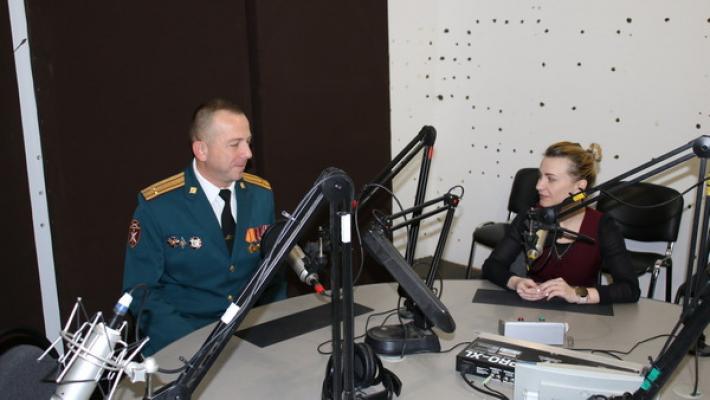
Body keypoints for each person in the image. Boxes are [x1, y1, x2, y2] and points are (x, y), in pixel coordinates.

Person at [122, 99, 286, 355]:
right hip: (181, 342)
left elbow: (273, 274)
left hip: (248, 339)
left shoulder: (260, 194)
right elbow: (141, 292)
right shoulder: (158, 206)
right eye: (235, 144)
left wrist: (273, 330)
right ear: (201, 150)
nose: (248, 153)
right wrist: (194, 347)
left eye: (248, 142)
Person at [482, 141, 640, 305]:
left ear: (579, 187)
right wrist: (516, 282)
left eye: (550, 179)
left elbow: (630, 289)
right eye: (540, 176)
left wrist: (575, 293)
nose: (538, 186)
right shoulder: (530, 216)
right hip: (532, 306)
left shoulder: (603, 226)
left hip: (580, 313)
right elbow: (492, 266)